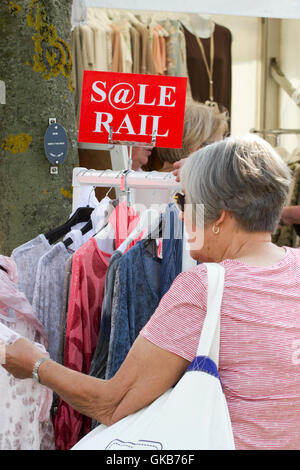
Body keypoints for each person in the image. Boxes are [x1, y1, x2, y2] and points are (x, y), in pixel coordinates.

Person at [3, 134, 300, 450]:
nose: (180, 215)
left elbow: (113, 404)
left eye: (184, 201)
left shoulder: (205, 288)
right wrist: (205, 172)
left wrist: (35, 365)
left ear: (220, 217)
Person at [157, 98, 228, 173]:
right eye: (218, 148)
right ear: (197, 150)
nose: (222, 156)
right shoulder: (196, 183)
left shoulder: (148, 179)